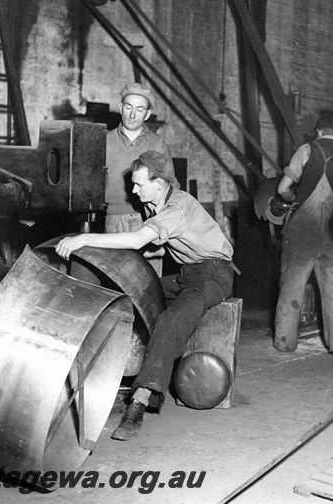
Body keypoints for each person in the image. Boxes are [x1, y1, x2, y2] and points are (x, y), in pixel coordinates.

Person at [56, 151, 236, 441]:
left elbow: (140, 239)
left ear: (161, 183)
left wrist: (84, 239)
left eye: (140, 184)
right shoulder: (157, 205)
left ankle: (139, 401)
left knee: (172, 318)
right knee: (128, 291)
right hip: (188, 274)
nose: (134, 190)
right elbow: (175, 241)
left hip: (214, 275)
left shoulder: (177, 207)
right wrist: (157, 250)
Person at [272, 115, 333, 355]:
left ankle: (285, 343)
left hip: (302, 228)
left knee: (291, 286)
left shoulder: (306, 149)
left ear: (318, 132)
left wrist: (295, 200)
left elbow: (282, 189)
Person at [105, 82, 174, 274]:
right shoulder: (104, 141)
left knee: (148, 287)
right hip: (114, 221)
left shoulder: (158, 144)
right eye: (128, 107)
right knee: (115, 280)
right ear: (120, 108)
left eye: (139, 109)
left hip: (149, 222)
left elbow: (170, 188)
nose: (132, 114)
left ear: (147, 114)